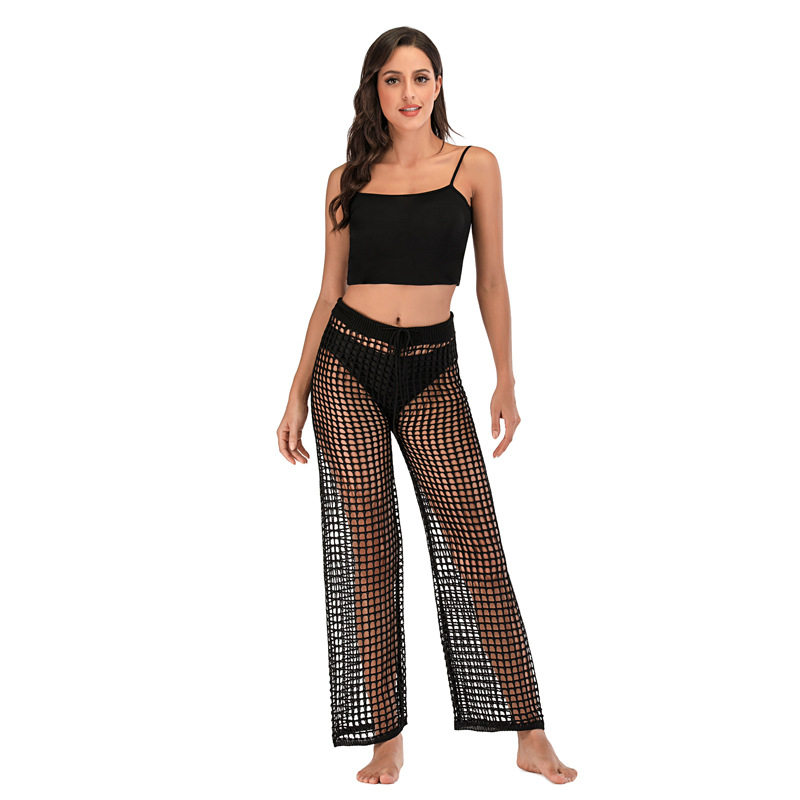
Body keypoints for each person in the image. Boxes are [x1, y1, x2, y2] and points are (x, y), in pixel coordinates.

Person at [277, 27, 577, 786]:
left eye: (420, 77)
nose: (407, 92)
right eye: (391, 79)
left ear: (439, 85)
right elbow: (327, 292)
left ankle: (529, 731)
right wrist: (296, 393)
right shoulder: (345, 179)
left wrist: (505, 377)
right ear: (373, 90)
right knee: (365, 551)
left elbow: (492, 279)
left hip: (433, 368)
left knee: (475, 540)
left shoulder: (475, 166)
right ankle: (385, 738)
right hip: (347, 364)